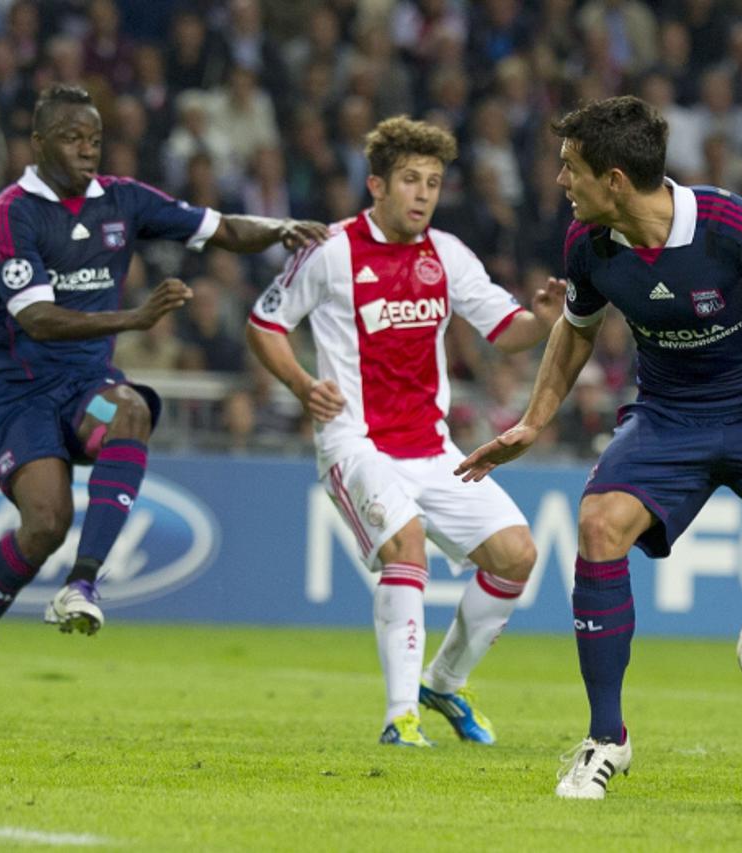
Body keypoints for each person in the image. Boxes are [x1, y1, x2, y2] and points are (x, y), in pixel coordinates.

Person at [457, 96, 742, 805]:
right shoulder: (588, 244)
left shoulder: (730, 225)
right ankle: (607, 739)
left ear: (616, 179)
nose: (561, 182)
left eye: (572, 169)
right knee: (599, 523)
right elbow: (575, 327)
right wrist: (535, 421)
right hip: (670, 418)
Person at [0, 84, 327, 728]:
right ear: (38, 144)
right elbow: (35, 318)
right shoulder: (11, 213)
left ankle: (83, 584)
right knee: (44, 522)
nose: (87, 150)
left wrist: (281, 230)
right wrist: (136, 317)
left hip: (84, 392)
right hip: (23, 394)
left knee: (129, 411)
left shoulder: (123, 199)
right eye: (71, 138)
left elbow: (222, 228)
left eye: (93, 138)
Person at [246, 116, 564, 748]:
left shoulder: (447, 255)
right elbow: (265, 322)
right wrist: (302, 385)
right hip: (355, 441)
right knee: (407, 546)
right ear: (376, 186)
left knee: (516, 555)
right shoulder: (331, 250)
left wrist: (546, 320)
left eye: (434, 183)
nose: (423, 194)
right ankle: (400, 718)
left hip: (432, 449)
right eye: (410, 180)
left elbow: (506, 331)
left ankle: (444, 682)